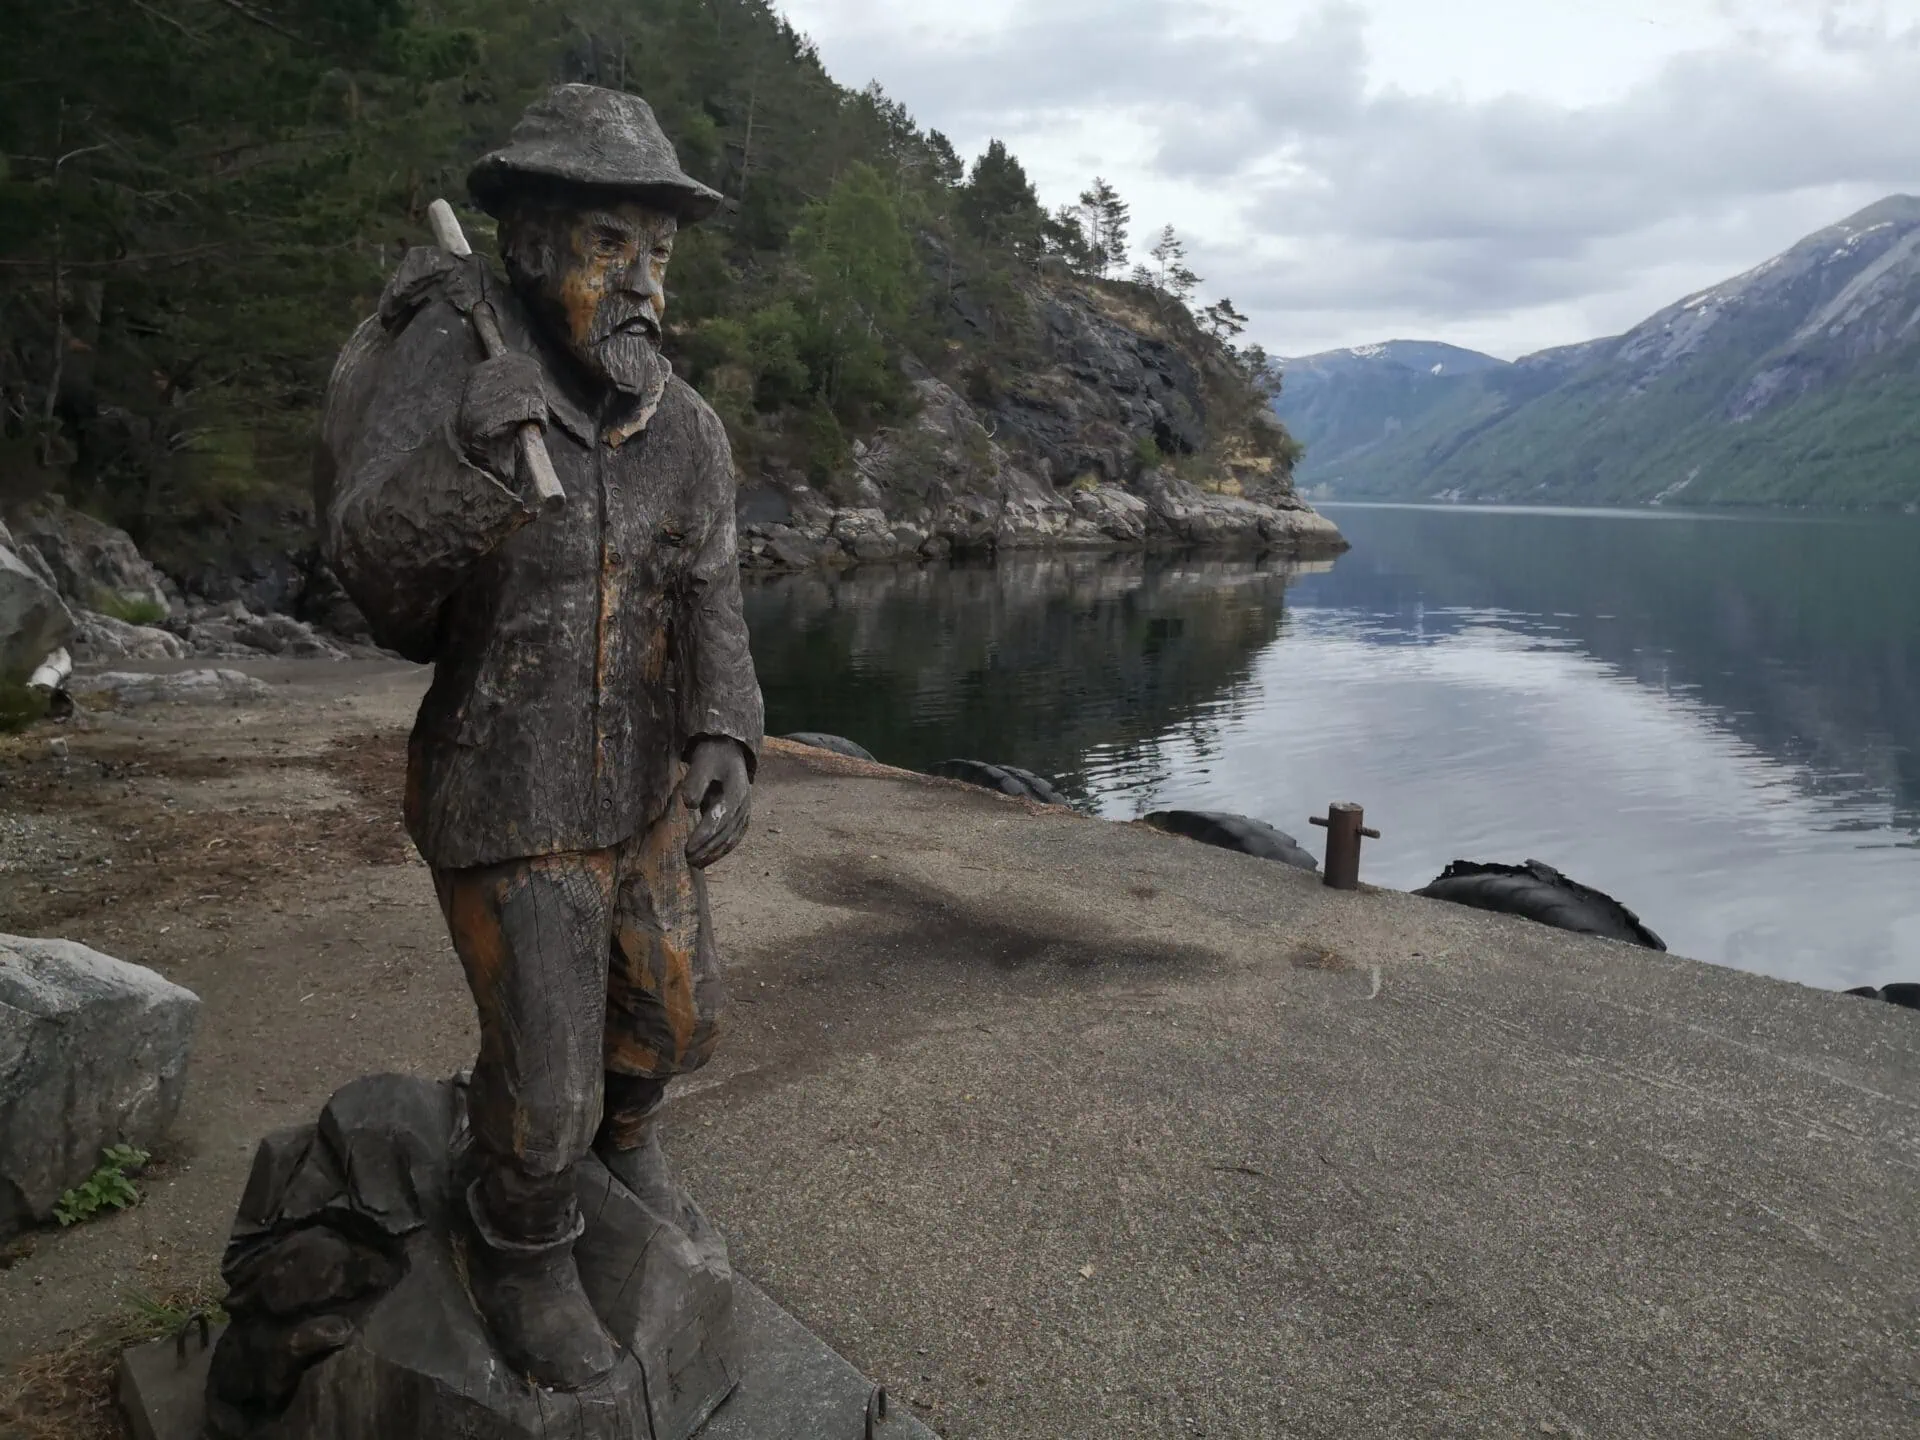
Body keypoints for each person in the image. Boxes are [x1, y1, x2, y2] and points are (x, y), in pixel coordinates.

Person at [317, 83, 762, 1389]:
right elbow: (378, 589)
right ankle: (523, 1244)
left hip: (640, 794)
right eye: (609, 245)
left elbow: (712, 600)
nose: (642, 281)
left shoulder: (687, 431)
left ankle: (625, 1153)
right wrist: (468, 459)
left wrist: (727, 732)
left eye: (660, 253)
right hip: (504, 794)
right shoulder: (454, 379)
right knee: (545, 1084)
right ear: (526, 243)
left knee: (675, 1025)